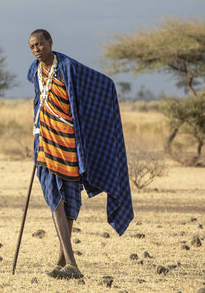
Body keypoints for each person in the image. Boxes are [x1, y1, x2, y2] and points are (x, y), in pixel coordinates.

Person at [27, 29, 133, 279]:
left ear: (50, 42)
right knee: (55, 199)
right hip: (47, 143)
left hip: (70, 145)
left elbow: (104, 84)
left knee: (70, 202)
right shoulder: (35, 71)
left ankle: (66, 262)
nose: (36, 50)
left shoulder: (69, 68)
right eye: (32, 46)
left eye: (40, 44)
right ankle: (68, 262)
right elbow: (38, 104)